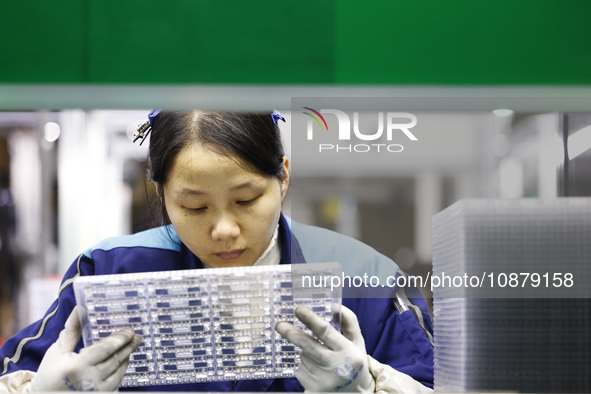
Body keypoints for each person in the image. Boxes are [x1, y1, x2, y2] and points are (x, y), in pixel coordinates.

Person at [0, 111, 434, 392]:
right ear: (162, 192)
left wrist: (370, 389)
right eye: (195, 206)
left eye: (246, 200)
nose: (224, 230)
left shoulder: (365, 279)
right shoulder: (107, 275)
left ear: (282, 177)